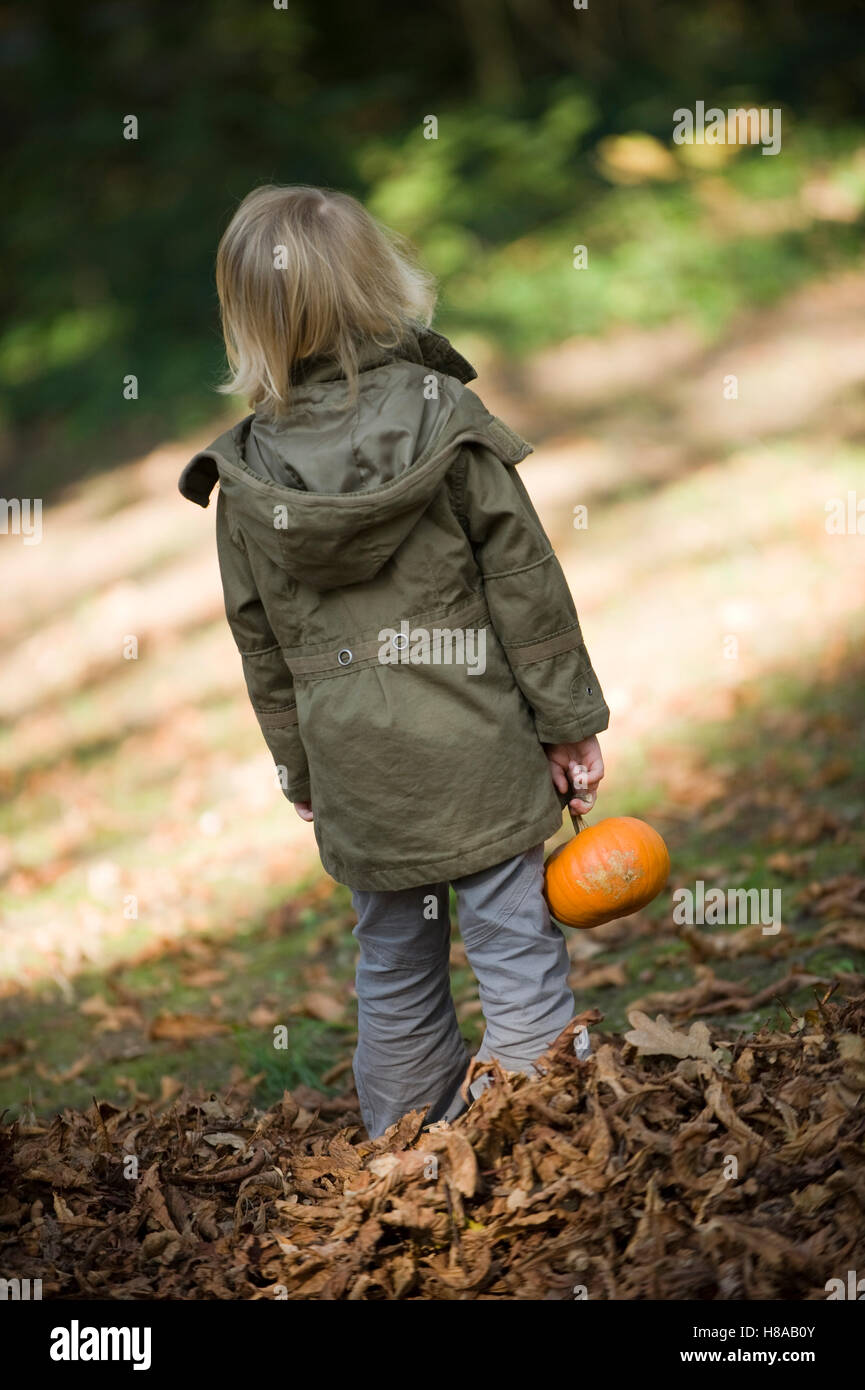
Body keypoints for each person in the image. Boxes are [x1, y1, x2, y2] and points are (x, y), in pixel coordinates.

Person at [179, 185, 609, 1138]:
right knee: (514, 946)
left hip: (358, 768)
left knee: (395, 969)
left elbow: (261, 647)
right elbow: (525, 584)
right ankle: (544, 1140)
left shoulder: (246, 476)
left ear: (246, 320)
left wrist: (300, 767)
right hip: (478, 747)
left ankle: (407, 1152)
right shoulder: (445, 414)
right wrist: (567, 720)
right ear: (381, 281)